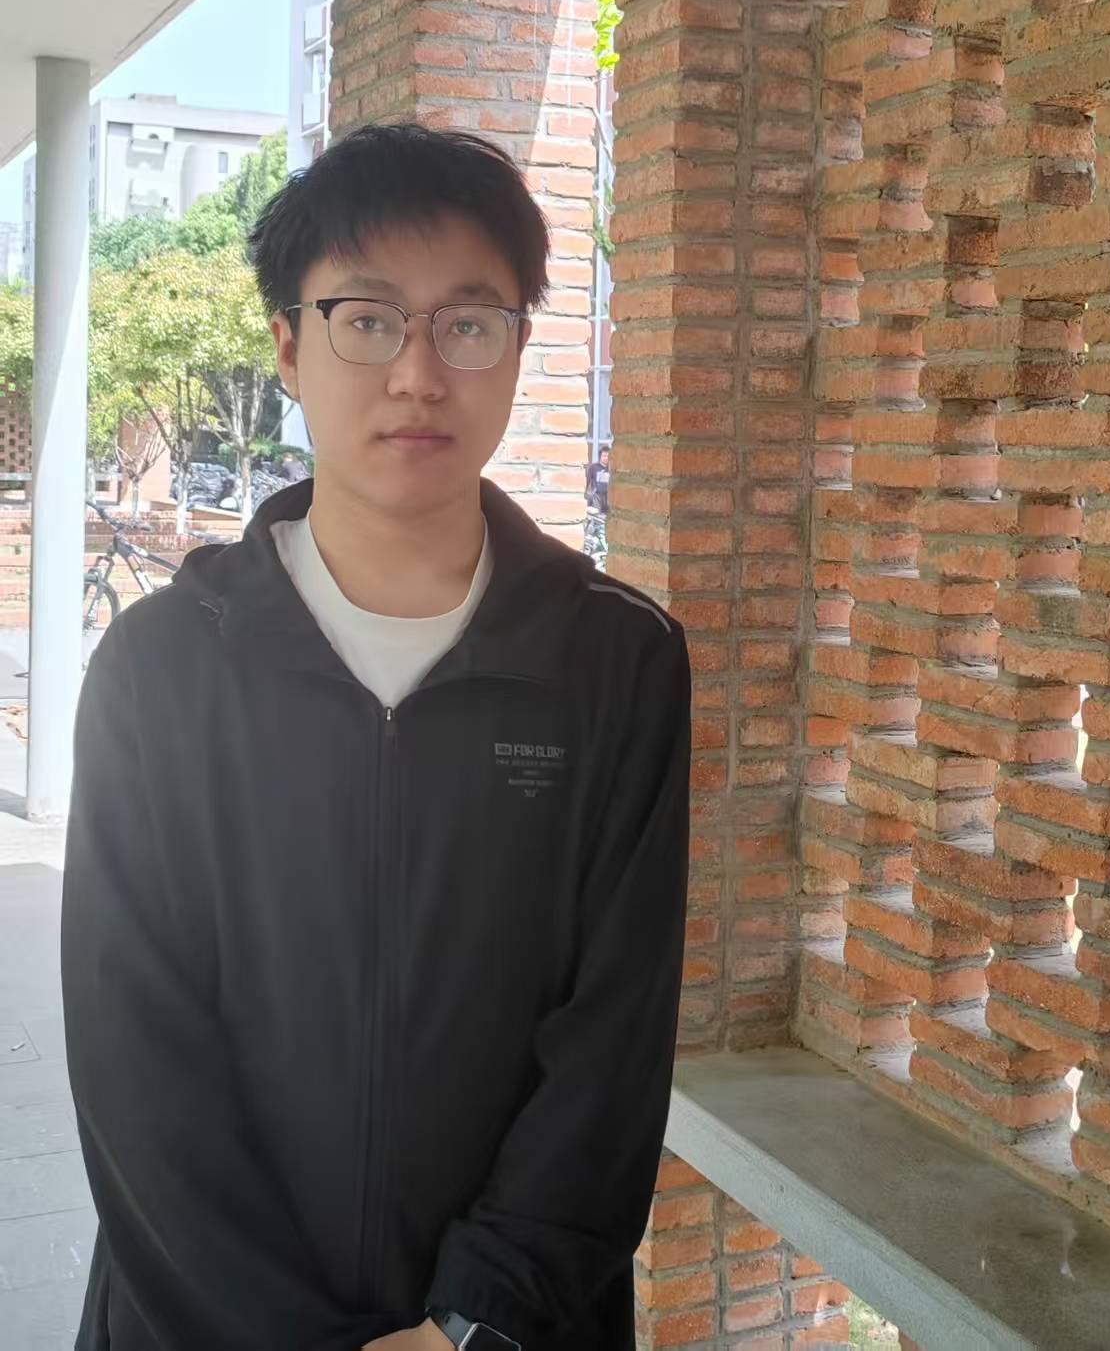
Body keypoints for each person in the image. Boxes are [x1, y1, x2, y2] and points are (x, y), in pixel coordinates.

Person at [62, 124, 692, 1351]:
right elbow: (135, 1060)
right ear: (288, 346)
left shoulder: (615, 663)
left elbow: (614, 1048)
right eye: (366, 319)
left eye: (468, 323)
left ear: (518, 346)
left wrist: (471, 1320)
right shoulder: (160, 669)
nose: (417, 372)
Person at [585, 443, 610, 516]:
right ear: (600, 456)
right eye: (604, 456)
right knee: (596, 516)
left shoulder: (612, 468)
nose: (606, 458)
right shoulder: (593, 467)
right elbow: (587, 482)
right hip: (597, 497)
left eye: (608, 456)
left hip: (608, 498)